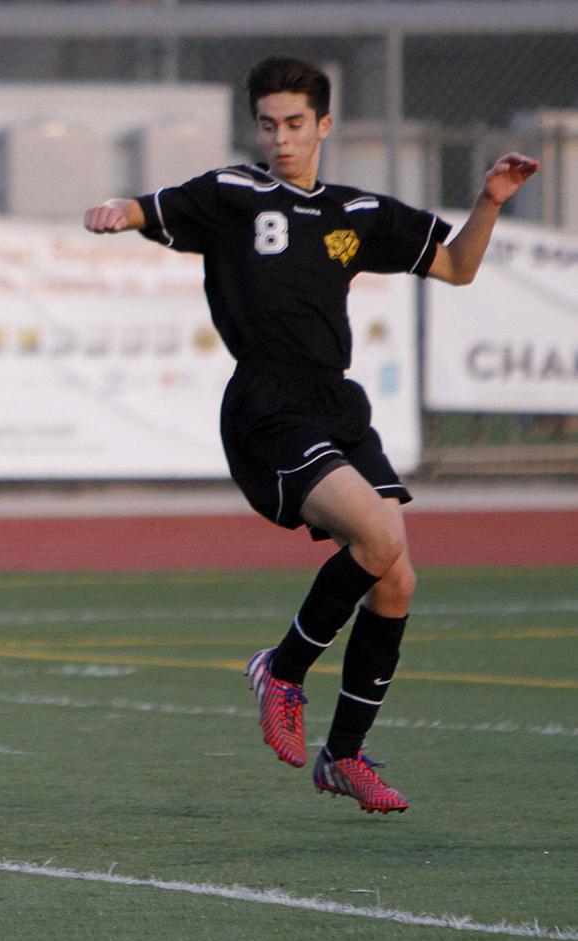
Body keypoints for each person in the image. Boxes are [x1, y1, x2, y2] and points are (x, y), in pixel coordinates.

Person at [84, 56, 539, 813]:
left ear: (325, 125)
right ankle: (284, 668)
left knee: (396, 574)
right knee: (375, 532)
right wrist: (115, 210)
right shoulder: (232, 192)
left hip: (336, 403)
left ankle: (346, 755)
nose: (281, 140)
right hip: (267, 402)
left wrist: (489, 201)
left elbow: (457, 265)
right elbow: (143, 208)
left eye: (295, 124)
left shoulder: (355, 212)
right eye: (268, 125)